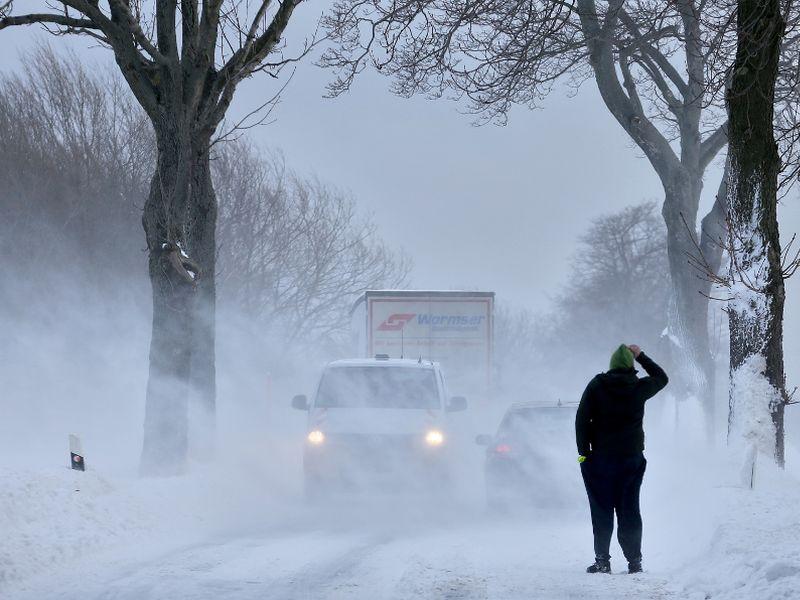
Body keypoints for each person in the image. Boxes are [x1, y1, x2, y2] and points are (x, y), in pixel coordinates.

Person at [575, 343, 668, 575]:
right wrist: (641, 356)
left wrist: (583, 454)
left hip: (600, 461)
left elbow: (581, 419)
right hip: (631, 460)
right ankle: (634, 562)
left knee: (601, 510)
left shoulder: (597, 385)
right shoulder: (638, 387)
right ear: (630, 365)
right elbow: (662, 378)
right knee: (629, 509)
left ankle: (602, 561)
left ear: (611, 365)